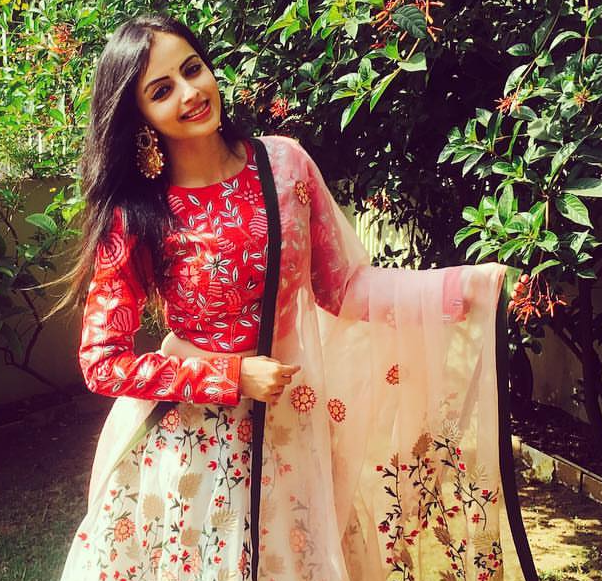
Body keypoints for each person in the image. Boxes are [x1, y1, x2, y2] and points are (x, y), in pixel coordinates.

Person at [57, 13, 538, 581]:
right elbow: (103, 361)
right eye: (162, 91)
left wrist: (463, 289)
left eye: (192, 69)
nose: (189, 93)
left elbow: (343, 287)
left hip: (294, 427)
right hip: (193, 450)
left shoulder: (284, 165)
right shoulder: (139, 213)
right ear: (139, 119)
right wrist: (231, 376)